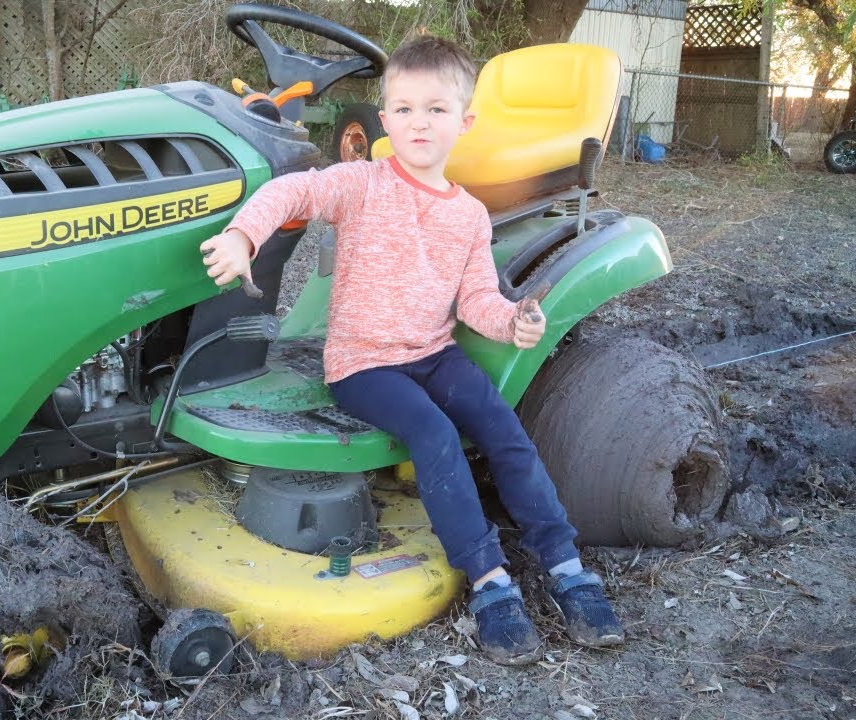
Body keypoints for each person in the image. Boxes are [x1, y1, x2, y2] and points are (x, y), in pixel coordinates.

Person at [198, 35, 623, 664]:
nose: (417, 123)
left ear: (464, 122)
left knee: (503, 431)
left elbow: (477, 298)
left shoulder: (470, 216)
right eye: (402, 109)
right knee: (433, 435)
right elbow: (292, 193)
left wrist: (512, 323)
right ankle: (489, 580)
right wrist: (242, 236)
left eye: (435, 109)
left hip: (433, 353)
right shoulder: (362, 184)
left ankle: (564, 564)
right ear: (384, 116)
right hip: (363, 364)